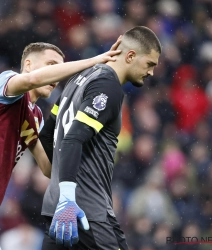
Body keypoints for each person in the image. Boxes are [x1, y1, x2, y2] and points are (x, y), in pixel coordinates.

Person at [0, 41, 122, 250]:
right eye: (51, 65)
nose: (56, 76)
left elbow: (47, 167)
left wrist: (78, 148)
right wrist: (93, 62)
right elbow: (33, 79)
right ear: (29, 64)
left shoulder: (36, 116)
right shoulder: (7, 83)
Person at [39, 26, 162, 250]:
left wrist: (60, 185)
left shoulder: (77, 79)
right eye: (150, 64)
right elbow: (73, 138)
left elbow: (47, 134)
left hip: (56, 210)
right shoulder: (108, 87)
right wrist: (69, 196)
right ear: (131, 56)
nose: (151, 72)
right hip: (87, 213)